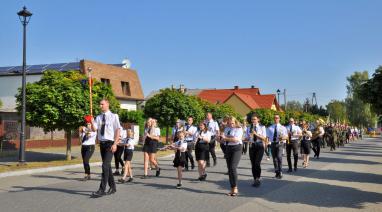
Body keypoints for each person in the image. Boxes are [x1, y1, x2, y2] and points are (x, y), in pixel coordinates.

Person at [91, 99, 121, 197]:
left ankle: (101, 189)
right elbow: (94, 129)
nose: (100, 106)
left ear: (107, 104)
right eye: (100, 104)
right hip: (102, 144)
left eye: (102, 104)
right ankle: (113, 187)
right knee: (107, 166)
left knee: (104, 166)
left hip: (110, 143)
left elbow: (117, 130)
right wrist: (91, 121)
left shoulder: (114, 116)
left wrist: (115, 144)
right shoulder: (98, 117)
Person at [221, 116, 243, 197]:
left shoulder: (239, 129)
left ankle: (235, 187)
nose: (231, 125)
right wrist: (220, 139)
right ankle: (232, 188)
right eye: (229, 123)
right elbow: (224, 139)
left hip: (236, 148)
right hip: (228, 148)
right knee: (229, 169)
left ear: (235, 122)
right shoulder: (227, 129)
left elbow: (236, 139)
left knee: (233, 167)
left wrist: (226, 138)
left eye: (232, 123)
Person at [245, 114, 266, 187]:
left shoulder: (262, 127)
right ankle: (255, 179)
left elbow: (264, 138)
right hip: (252, 145)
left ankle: (258, 178)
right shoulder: (249, 128)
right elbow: (247, 138)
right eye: (252, 119)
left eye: (254, 119)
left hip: (259, 146)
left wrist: (256, 134)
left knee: (257, 163)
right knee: (253, 164)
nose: (253, 121)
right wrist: (246, 138)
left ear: (258, 120)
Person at [267, 114, 288, 179]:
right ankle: (277, 172)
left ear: (279, 119)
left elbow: (286, 137)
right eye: (275, 118)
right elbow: (267, 136)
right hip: (273, 143)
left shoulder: (283, 127)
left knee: (279, 157)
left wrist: (282, 138)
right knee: (274, 159)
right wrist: (266, 143)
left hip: (280, 143)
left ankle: (280, 171)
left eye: (277, 118)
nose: (276, 119)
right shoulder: (270, 127)